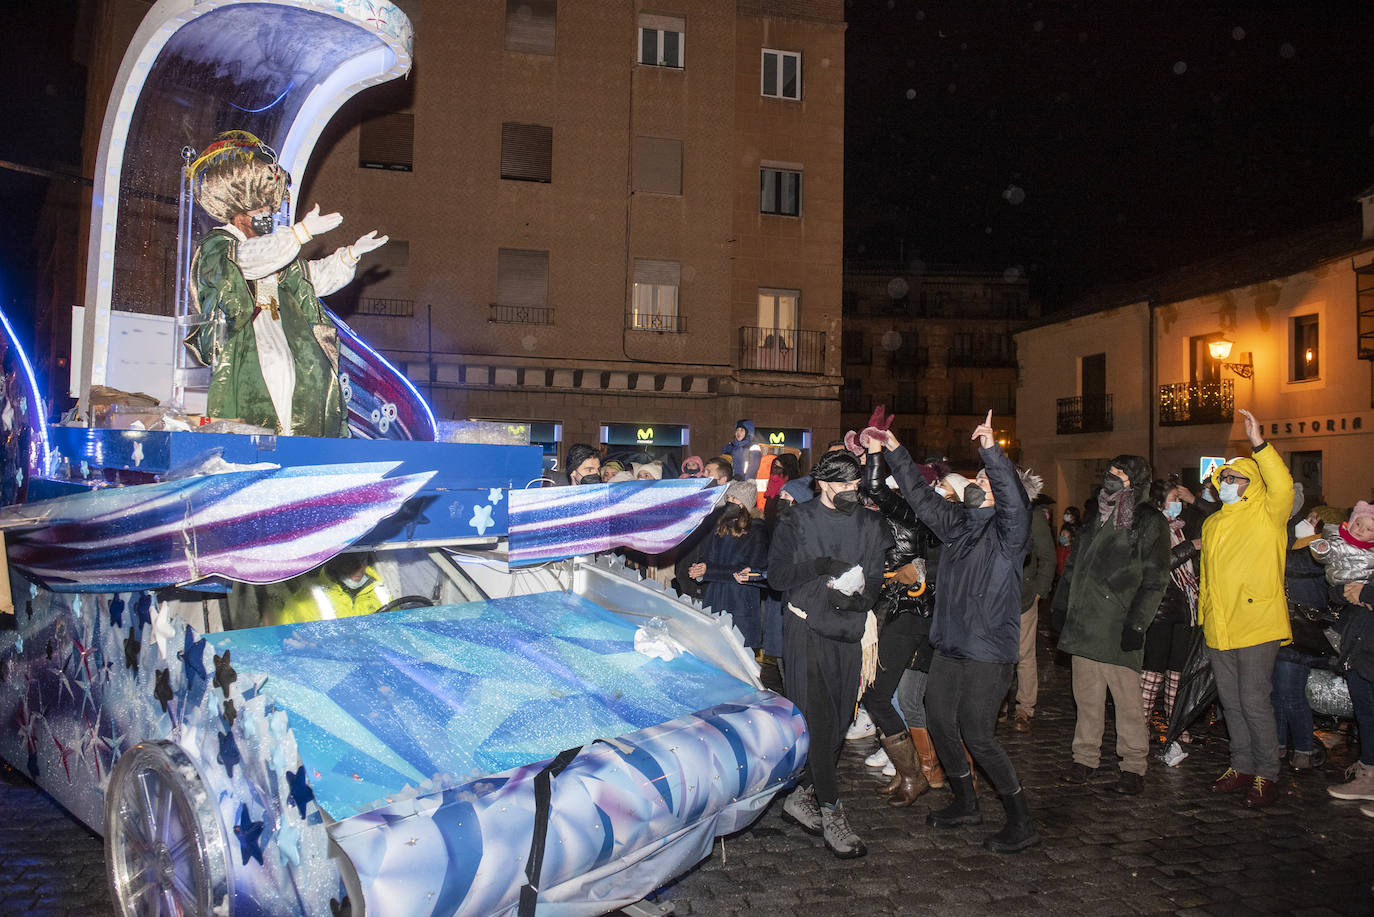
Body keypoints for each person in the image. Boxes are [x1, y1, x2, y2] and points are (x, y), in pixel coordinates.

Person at [881, 411, 1040, 854]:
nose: (979, 483)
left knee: (978, 734)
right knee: (938, 721)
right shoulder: (958, 525)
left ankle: (1021, 820)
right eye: (981, 478)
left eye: (988, 482)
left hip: (989, 651)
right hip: (950, 645)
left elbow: (1010, 500)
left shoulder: (1011, 534)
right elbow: (917, 495)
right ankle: (966, 802)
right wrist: (894, 449)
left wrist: (992, 451)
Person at [185, 131, 387, 437]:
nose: (268, 214)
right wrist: (300, 233)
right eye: (261, 209)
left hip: (286, 331)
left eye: (270, 209)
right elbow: (247, 261)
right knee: (275, 373)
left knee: (315, 377)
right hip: (247, 339)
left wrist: (350, 255)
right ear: (239, 209)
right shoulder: (220, 245)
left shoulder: (273, 250)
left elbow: (310, 277)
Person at [768, 449, 893, 858]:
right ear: (822, 482)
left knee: (839, 725)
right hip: (805, 629)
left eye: (855, 484)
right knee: (820, 724)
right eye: (842, 484)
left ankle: (800, 795)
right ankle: (834, 816)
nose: (850, 491)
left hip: (850, 630)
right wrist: (821, 564)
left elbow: (875, 577)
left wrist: (860, 602)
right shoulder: (795, 519)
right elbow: (778, 577)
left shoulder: (872, 522)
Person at [1054, 457, 1169, 795]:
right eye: (1111, 472)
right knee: (1086, 698)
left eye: (1121, 474)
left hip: (1118, 623)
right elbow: (1074, 565)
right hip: (1085, 623)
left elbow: (1156, 578)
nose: (1112, 478)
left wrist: (1137, 623)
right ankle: (1084, 758)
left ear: (1136, 481)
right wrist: (1062, 606)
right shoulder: (1095, 516)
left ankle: (1133, 765)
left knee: (1127, 702)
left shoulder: (1149, 520)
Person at [1197, 408, 1293, 807]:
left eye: (1234, 479)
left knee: (1254, 701)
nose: (1226, 484)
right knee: (1230, 701)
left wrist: (1259, 444)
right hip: (1220, 628)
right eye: (1223, 479)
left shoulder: (1269, 513)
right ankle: (1242, 765)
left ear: (1251, 483)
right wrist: (1203, 616)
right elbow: (1208, 578)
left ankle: (1267, 773)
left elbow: (1283, 485)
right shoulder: (1213, 523)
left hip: (1256, 624)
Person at [858, 436, 934, 807]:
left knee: (879, 695)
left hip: (907, 613)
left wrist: (875, 451)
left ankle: (915, 774)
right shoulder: (910, 513)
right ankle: (910, 772)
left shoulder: (910, 511)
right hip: (896, 609)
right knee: (883, 695)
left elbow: (871, 485)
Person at [1313, 502, 1374, 801]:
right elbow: (1338, 593)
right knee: (1366, 713)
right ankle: (1369, 775)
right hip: (1358, 644)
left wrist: (1366, 592)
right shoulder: (1352, 549)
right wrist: (1347, 589)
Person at [1140, 479, 1203, 748]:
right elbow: (1159, 564)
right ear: (1159, 501)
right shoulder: (1153, 528)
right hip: (1160, 608)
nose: (1178, 503)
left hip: (1183, 609)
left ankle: (1176, 725)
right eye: (1174, 497)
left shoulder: (1178, 529)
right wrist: (1192, 547)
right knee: (1152, 671)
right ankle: (1139, 726)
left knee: (1178, 672)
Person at [690, 481, 770, 650]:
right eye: (728, 497)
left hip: (740, 599)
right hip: (715, 596)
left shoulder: (757, 530)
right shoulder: (720, 525)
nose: (729, 502)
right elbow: (707, 556)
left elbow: (753, 568)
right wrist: (700, 569)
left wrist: (709, 571)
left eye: (734, 498)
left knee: (738, 650)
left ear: (745, 503)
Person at [1012, 480, 1056, 734]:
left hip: (1024, 595)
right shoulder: (994, 509)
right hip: (996, 597)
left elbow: (1048, 556)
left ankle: (1024, 707)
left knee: (1024, 654)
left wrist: (1040, 589)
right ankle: (998, 704)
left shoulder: (1033, 515)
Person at [266, 554, 391, 625]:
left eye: (363, 562)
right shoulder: (308, 597)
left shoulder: (380, 591)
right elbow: (289, 637)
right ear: (336, 563)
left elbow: (395, 630)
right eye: (351, 562)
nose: (359, 569)